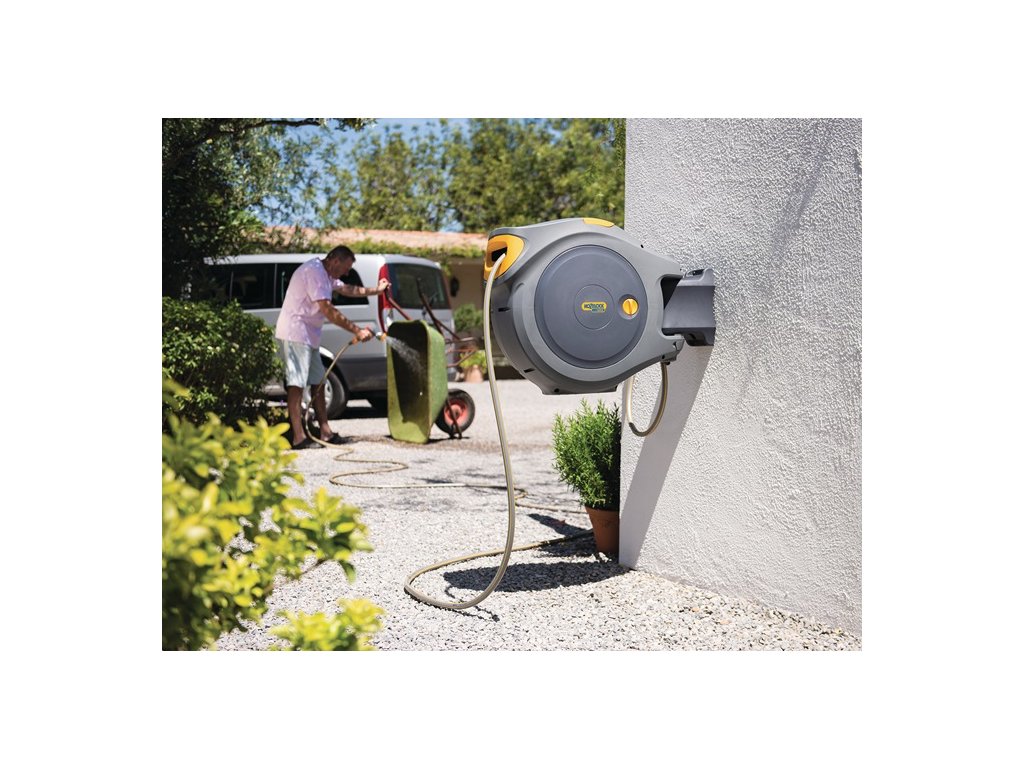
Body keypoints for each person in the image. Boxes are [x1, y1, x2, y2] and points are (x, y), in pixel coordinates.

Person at [275, 245, 390, 449]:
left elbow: (348, 289)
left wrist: (376, 290)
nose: (346, 273)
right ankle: (298, 437)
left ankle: (325, 432)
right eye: (345, 268)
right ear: (335, 260)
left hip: (309, 334)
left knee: (319, 382)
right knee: (296, 384)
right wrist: (356, 330)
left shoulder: (327, 274)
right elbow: (328, 310)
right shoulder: (314, 272)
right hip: (296, 332)